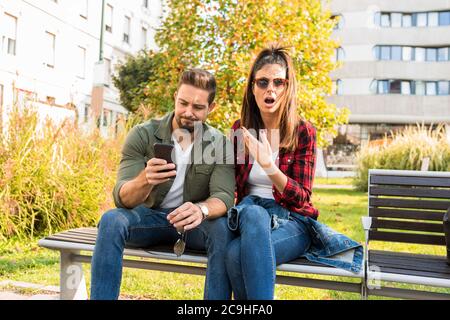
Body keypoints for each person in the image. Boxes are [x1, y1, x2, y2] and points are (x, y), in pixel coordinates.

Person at [225, 45, 362, 300]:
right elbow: (231, 185)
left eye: (279, 82)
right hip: (250, 216)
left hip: (293, 221)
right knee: (243, 234)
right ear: (252, 87)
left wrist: (269, 165)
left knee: (236, 254)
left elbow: (301, 197)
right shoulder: (241, 130)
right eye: (263, 81)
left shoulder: (303, 132)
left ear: (288, 88)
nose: (271, 89)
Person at [90, 69, 235, 300]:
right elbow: (122, 198)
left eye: (198, 107)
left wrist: (201, 209)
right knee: (111, 219)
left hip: (192, 224)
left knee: (221, 229)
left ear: (211, 108)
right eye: (183, 103)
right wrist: (144, 179)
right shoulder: (143, 134)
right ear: (175, 97)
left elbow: (224, 196)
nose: (188, 112)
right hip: (149, 218)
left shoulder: (221, 144)